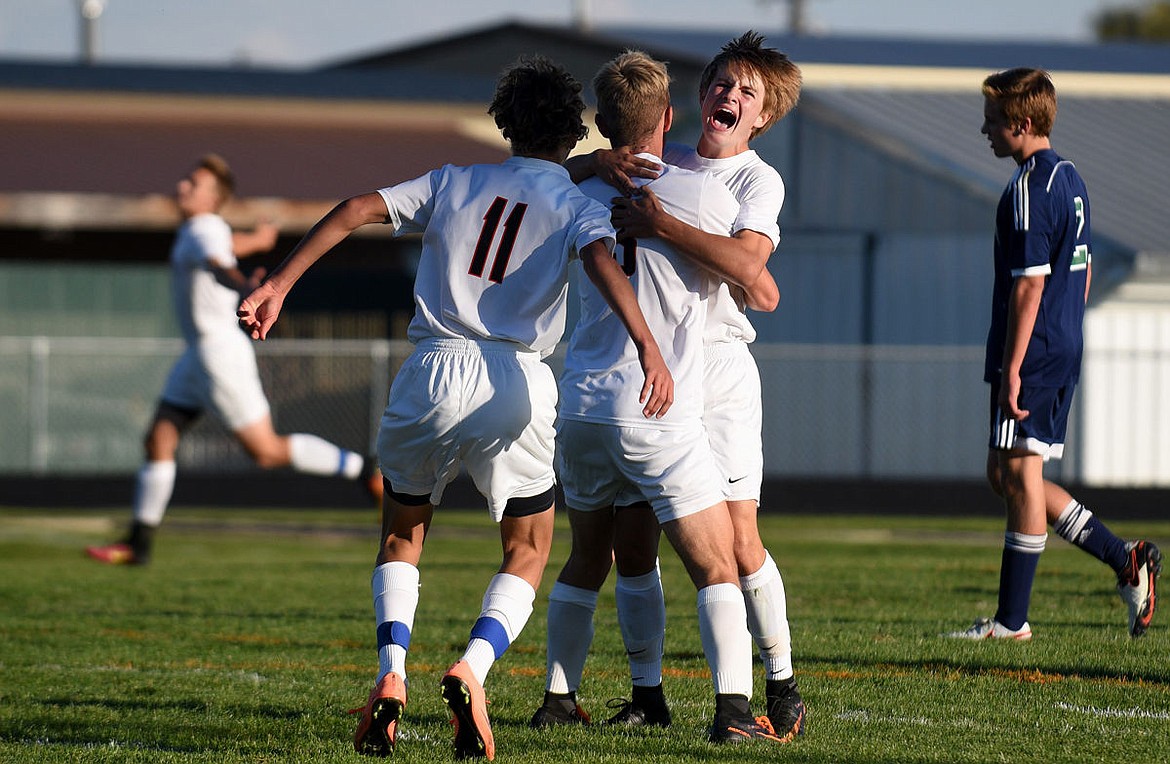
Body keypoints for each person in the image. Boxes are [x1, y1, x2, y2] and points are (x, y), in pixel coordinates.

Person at [237, 56, 672, 760]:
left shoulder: (454, 181)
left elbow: (354, 209)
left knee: (402, 537)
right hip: (516, 380)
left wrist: (279, 286)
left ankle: (392, 672)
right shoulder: (574, 202)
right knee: (528, 548)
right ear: (574, 133)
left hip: (432, 369)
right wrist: (648, 346)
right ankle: (473, 666)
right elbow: (600, 262)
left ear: (504, 125)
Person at [536, 32, 806, 739]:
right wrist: (599, 160)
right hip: (658, 368)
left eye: (746, 91)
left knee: (737, 540)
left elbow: (756, 279)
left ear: (762, 117)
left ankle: (780, 680)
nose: (729, 95)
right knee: (635, 543)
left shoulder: (755, 182)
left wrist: (660, 221)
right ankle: (649, 694)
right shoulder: (668, 163)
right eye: (722, 83)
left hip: (715, 366)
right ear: (692, 99)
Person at [85, 154, 380, 567]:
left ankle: (364, 469)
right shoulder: (203, 230)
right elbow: (223, 250)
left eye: (194, 184)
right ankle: (139, 544)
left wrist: (247, 290)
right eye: (186, 180)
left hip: (219, 354)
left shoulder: (204, 228)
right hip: (198, 354)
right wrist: (257, 242)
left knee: (267, 451)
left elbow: (219, 265)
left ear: (213, 199)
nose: (182, 187)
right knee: (159, 439)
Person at [948, 68, 1160, 640]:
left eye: (993, 121)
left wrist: (1014, 367)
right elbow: (1081, 272)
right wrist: (1062, 331)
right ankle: (1125, 557)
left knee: (1019, 474)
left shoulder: (1030, 187)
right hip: (1058, 341)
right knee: (1007, 473)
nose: (985, 131)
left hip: (1034, 349)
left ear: (1021, 123)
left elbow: (1030, 284)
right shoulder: (1070, 178)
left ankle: (1011, 622)